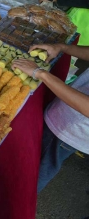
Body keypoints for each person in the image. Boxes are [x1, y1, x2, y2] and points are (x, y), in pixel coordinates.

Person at [11, 44, 89, 193]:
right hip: (62, 111)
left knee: (35, 174)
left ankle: (16, 205)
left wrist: (40, 73)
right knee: (24, 161)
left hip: (71, 131)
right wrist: (62, 47)